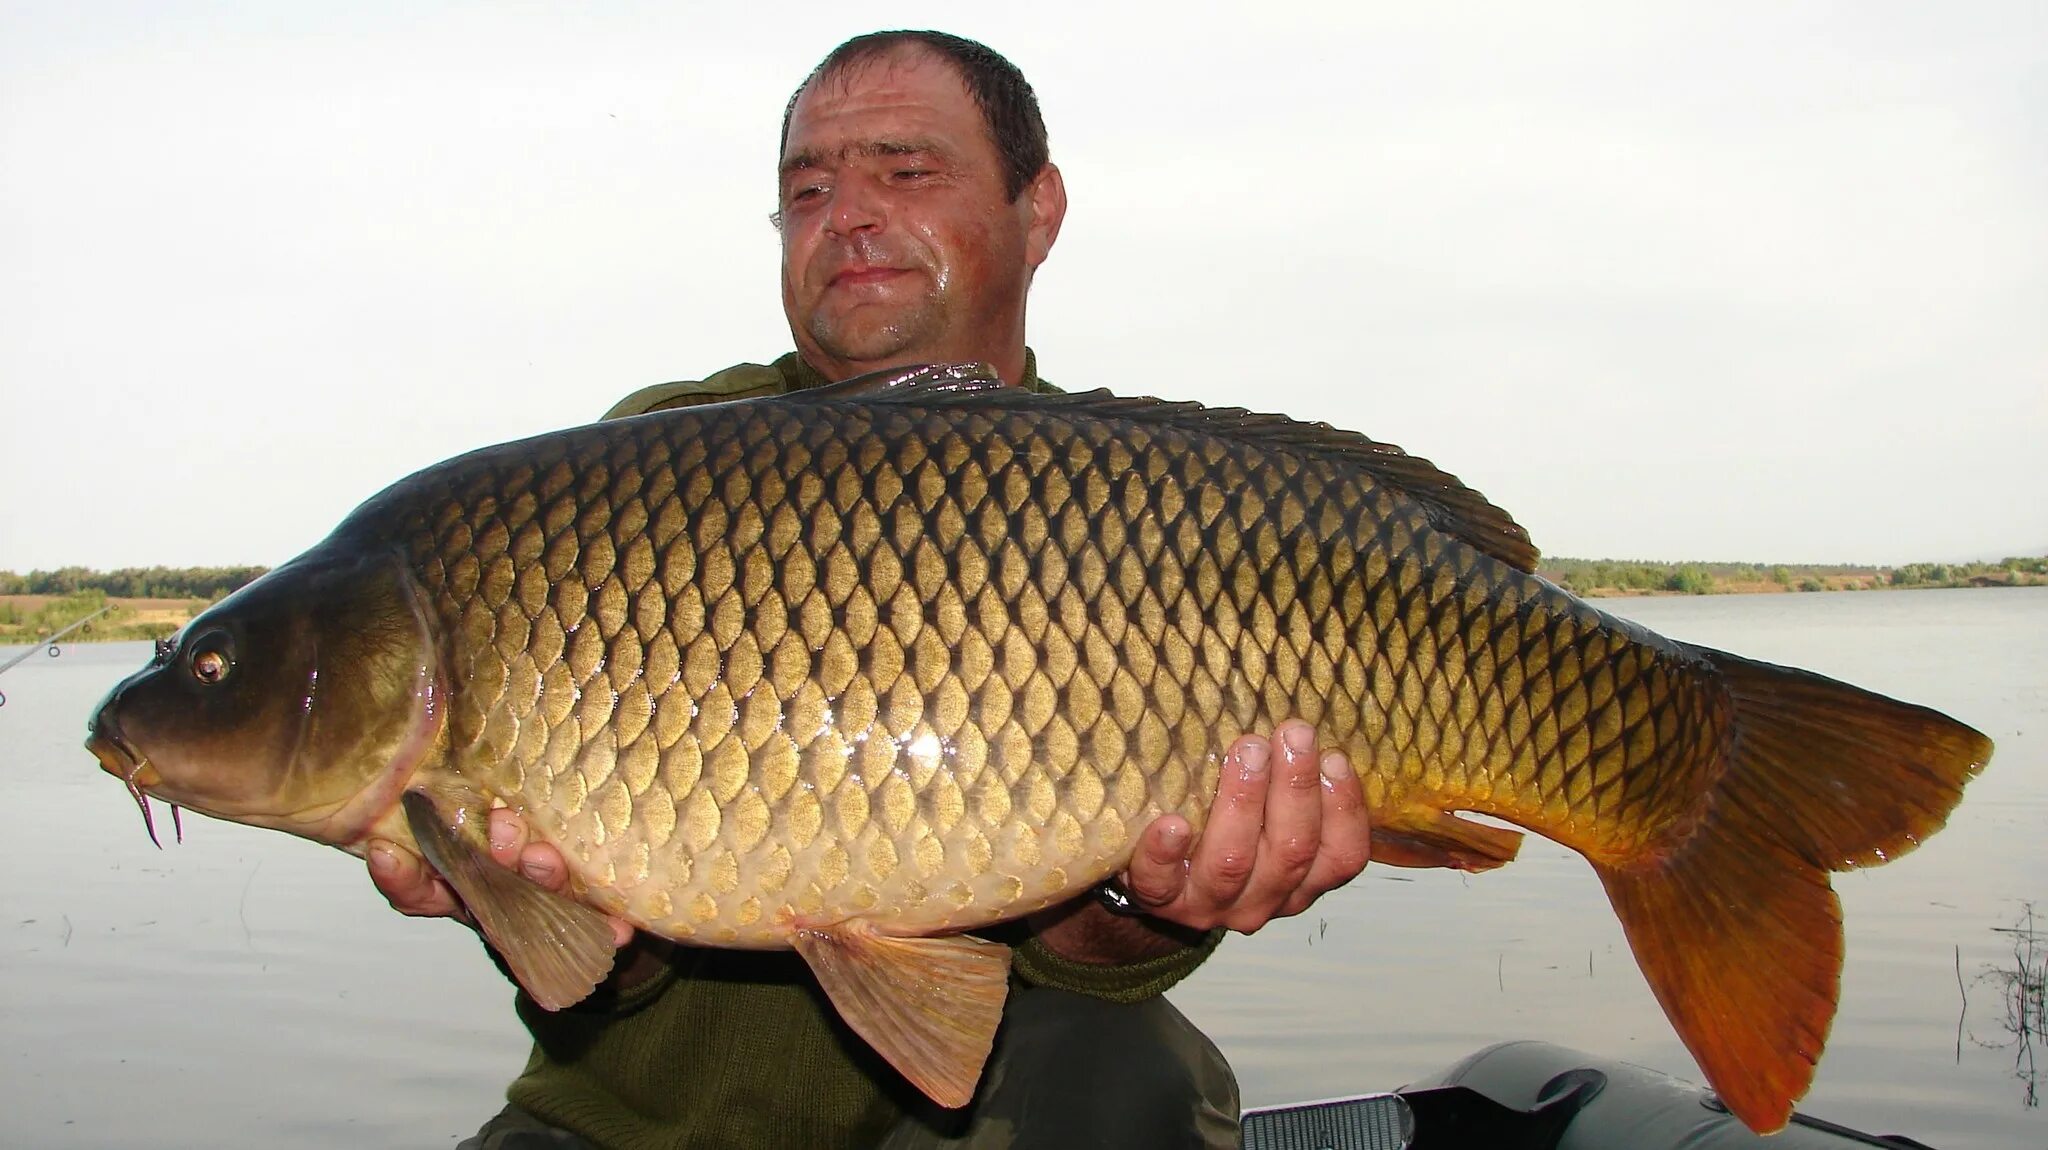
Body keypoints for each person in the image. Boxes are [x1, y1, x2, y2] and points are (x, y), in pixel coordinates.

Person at [368, 31, 1372, 1150]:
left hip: (984, 1117)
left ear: (1037, 211)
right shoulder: (642, 474)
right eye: (806, 188)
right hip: (629, 1130)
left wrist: (1153, 902)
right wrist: (536, 898)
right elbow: (612, 974)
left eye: (904, 171)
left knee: (1126, 1068)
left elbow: (1075, 964)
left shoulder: (1133, 501)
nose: (844, 212)